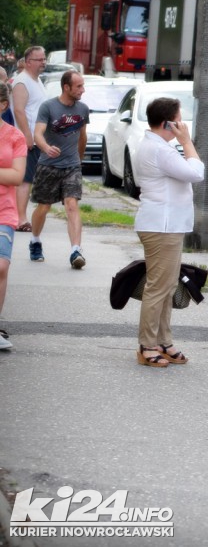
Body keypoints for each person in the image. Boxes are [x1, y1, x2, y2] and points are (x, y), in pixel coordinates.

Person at [133, 97, 204, 368]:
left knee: (167, 286)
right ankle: (147, 344)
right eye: (179, 119)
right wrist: (186, 142)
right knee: (158, 287)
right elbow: (196, 173)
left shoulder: (158, 146)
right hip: (161, 226)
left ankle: (163, 340)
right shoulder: (160, 150)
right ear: (168, 123)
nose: (182, 124)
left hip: (166, 225)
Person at [30, 70, 90, 267]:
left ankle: (76, 251)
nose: (83, 90)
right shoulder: (48, 107)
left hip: (71, 165)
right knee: (44, 207)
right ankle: (35, 240)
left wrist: (78, 161)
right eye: (79, 86)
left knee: (71, 205)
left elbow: (82, 137)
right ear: (66, 87)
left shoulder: (82, 109)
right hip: (48, 164)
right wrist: (46, 148)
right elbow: (37, 133)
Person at [0, 82, 28, 351]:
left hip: (4, 211)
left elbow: (17, 176)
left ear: (3, 105)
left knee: (1, 267)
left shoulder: (14, 137)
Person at [11, 46, 46, 233]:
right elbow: (18, 109)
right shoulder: (22, 82)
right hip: (28, 138)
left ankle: (24, 216)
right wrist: (27, 135)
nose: (43, 62)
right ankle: (20, 218)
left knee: (31, 179)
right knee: (25, 180)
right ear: (28, 61)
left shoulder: (37, 80)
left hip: (37, 138)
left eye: (44, 59)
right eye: (39, 59)